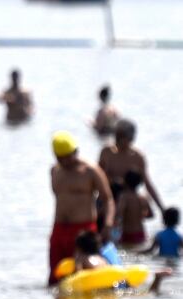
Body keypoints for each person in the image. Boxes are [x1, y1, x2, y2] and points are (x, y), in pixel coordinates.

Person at [48, 130, 114, 285]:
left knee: (85, 276)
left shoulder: (90, 170)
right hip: (59, 229)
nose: (65, 161)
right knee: (55, 277)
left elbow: (108, 199)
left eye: (68, 157)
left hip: (83, 231)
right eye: (60, 158)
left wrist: (108, 225)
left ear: (76, 152)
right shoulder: (54, 170)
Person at [71, 231, 170, 293]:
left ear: (79, 248)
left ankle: (157, 279)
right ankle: (157, 279)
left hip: (104, 286)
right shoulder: (102, 259)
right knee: (141, 293)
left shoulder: (82, 258)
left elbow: (77, 276)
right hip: (117, 280)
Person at [98, 119, 163, 212]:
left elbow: (147, 184)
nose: (117, 140)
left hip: (127, 203)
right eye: (116, 136)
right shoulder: (106, 152)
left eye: (121, 136)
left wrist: (161, 208)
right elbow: (97, 176)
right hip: (107, 199)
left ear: (131, 138)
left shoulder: (137, 157)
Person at [116, 170, 153, 246]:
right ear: (139, 183)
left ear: (125, 181)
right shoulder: (143, 197)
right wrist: (141, 215)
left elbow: (119, 214)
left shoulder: (124, 197)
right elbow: (151, 215)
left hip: (127, 233)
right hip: (141, 233)